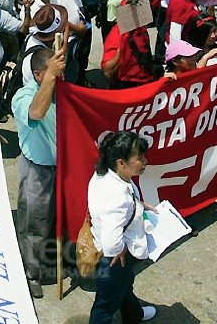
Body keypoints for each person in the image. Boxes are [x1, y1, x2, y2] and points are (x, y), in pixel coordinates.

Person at [13, 46, 66, 299]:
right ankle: (31, 273)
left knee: (57, 222)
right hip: (37, 171)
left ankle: (50, 265)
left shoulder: (62, 91)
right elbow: (36, 113)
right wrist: (50, 79)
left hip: (63, 169)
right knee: (34, 224)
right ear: (38, 75)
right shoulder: (23, 97)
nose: (60, 77)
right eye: (54, 73)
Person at [87, 131, 157, 323]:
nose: (145, 161)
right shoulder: (117, 197)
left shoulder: (105, 175)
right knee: (104, 306)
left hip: (112, 258)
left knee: (124, 286)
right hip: (114, 262)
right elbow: (111, 244)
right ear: (121, 163)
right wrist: (122, 250)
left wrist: (141, 206)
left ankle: (134, 315)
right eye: (139, 158)